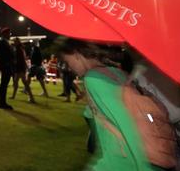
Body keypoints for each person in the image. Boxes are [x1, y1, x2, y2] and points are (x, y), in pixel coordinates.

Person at [58, 38, 160, 170]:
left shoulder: (93, 79)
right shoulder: (116, 72)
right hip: (128, 157)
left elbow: (127, 125)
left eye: (67, 61)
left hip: (121, 162)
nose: (69, 67)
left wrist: (143, 167)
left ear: (77, 54)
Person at [0, 27, 14, 110]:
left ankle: (2, 102)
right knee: (4, 84)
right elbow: (3, 54)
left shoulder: (3, 42)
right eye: (9, 33)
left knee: (4, 84)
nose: (10, 35)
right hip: (5, 65)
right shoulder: (2, 42)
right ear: (5, 34)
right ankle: (2, 102)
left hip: (6, 64)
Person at [10, 37, 35, 103]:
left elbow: (21, 60)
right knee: (16, 82)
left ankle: (31, 97)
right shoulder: (19, 48)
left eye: (15, 41)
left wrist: (24, 67)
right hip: (19, 67)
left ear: (18, 42)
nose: (14, 43)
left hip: (20, 68)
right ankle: (13, 96)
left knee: (24, 82)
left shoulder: (19, 49)